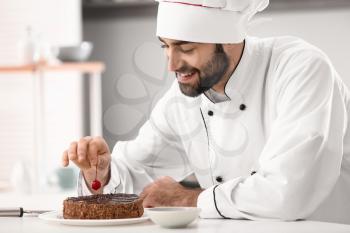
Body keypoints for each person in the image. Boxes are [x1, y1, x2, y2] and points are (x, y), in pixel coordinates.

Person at [62, 0, 350, 224]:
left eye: (185, 48)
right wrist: (101, 171)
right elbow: (138, 174)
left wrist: (188, 199)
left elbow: (288, 193)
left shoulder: (300, 69)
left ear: (228, 40)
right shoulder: (184, 98)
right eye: (165, 46)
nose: (171, 65)